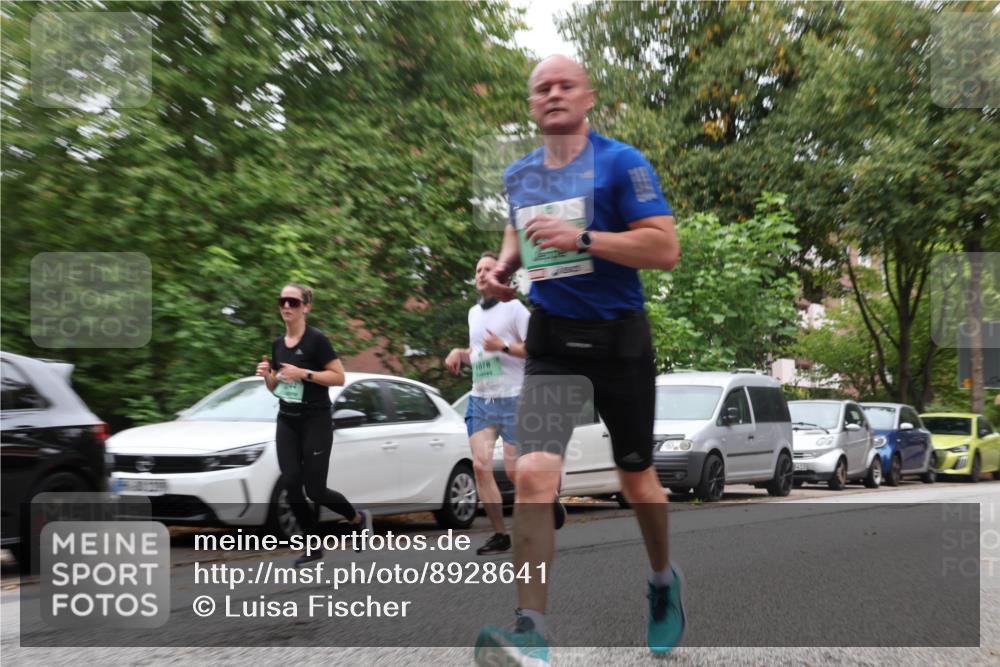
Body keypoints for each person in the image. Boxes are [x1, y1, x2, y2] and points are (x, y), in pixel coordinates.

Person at [474, 55, 685, 665]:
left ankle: (663, 583)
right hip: (555, 344)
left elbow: (664, 248)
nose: (555, 94)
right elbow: (520, 236)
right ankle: (531, 632)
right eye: (543, 88)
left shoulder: (623, 163)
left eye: (566, 85)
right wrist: (502, 268)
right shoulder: (520, 176)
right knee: (534, 474)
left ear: (587, 97)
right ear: (533, 104)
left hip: (620, 341)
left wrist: (585, 238)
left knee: (637, 481)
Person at [256, 284, 372, 566]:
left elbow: (338, 377)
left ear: (306, 307)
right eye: (282, 301)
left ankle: (357, 519)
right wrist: (266, 377)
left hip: (315, 420)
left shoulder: (317, 340)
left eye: (293, 302)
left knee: (315, 490)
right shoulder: (278, 344)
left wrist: (304, 373)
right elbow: (278, 388)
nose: (286, 306)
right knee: (291, 481)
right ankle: (312, 544)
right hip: (287, 418)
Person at [446, 251, 538, 555]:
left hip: (514, 397)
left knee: (515, 473)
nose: (481, 274)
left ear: (502, 277)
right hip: (481, 398)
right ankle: (500, 534)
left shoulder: (514, 309)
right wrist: (460, 354)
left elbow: (536, 348)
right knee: (481, 466)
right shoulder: (473, 313)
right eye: (478, 269)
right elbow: (478, 353)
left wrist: (504, 346)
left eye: (488, 269)